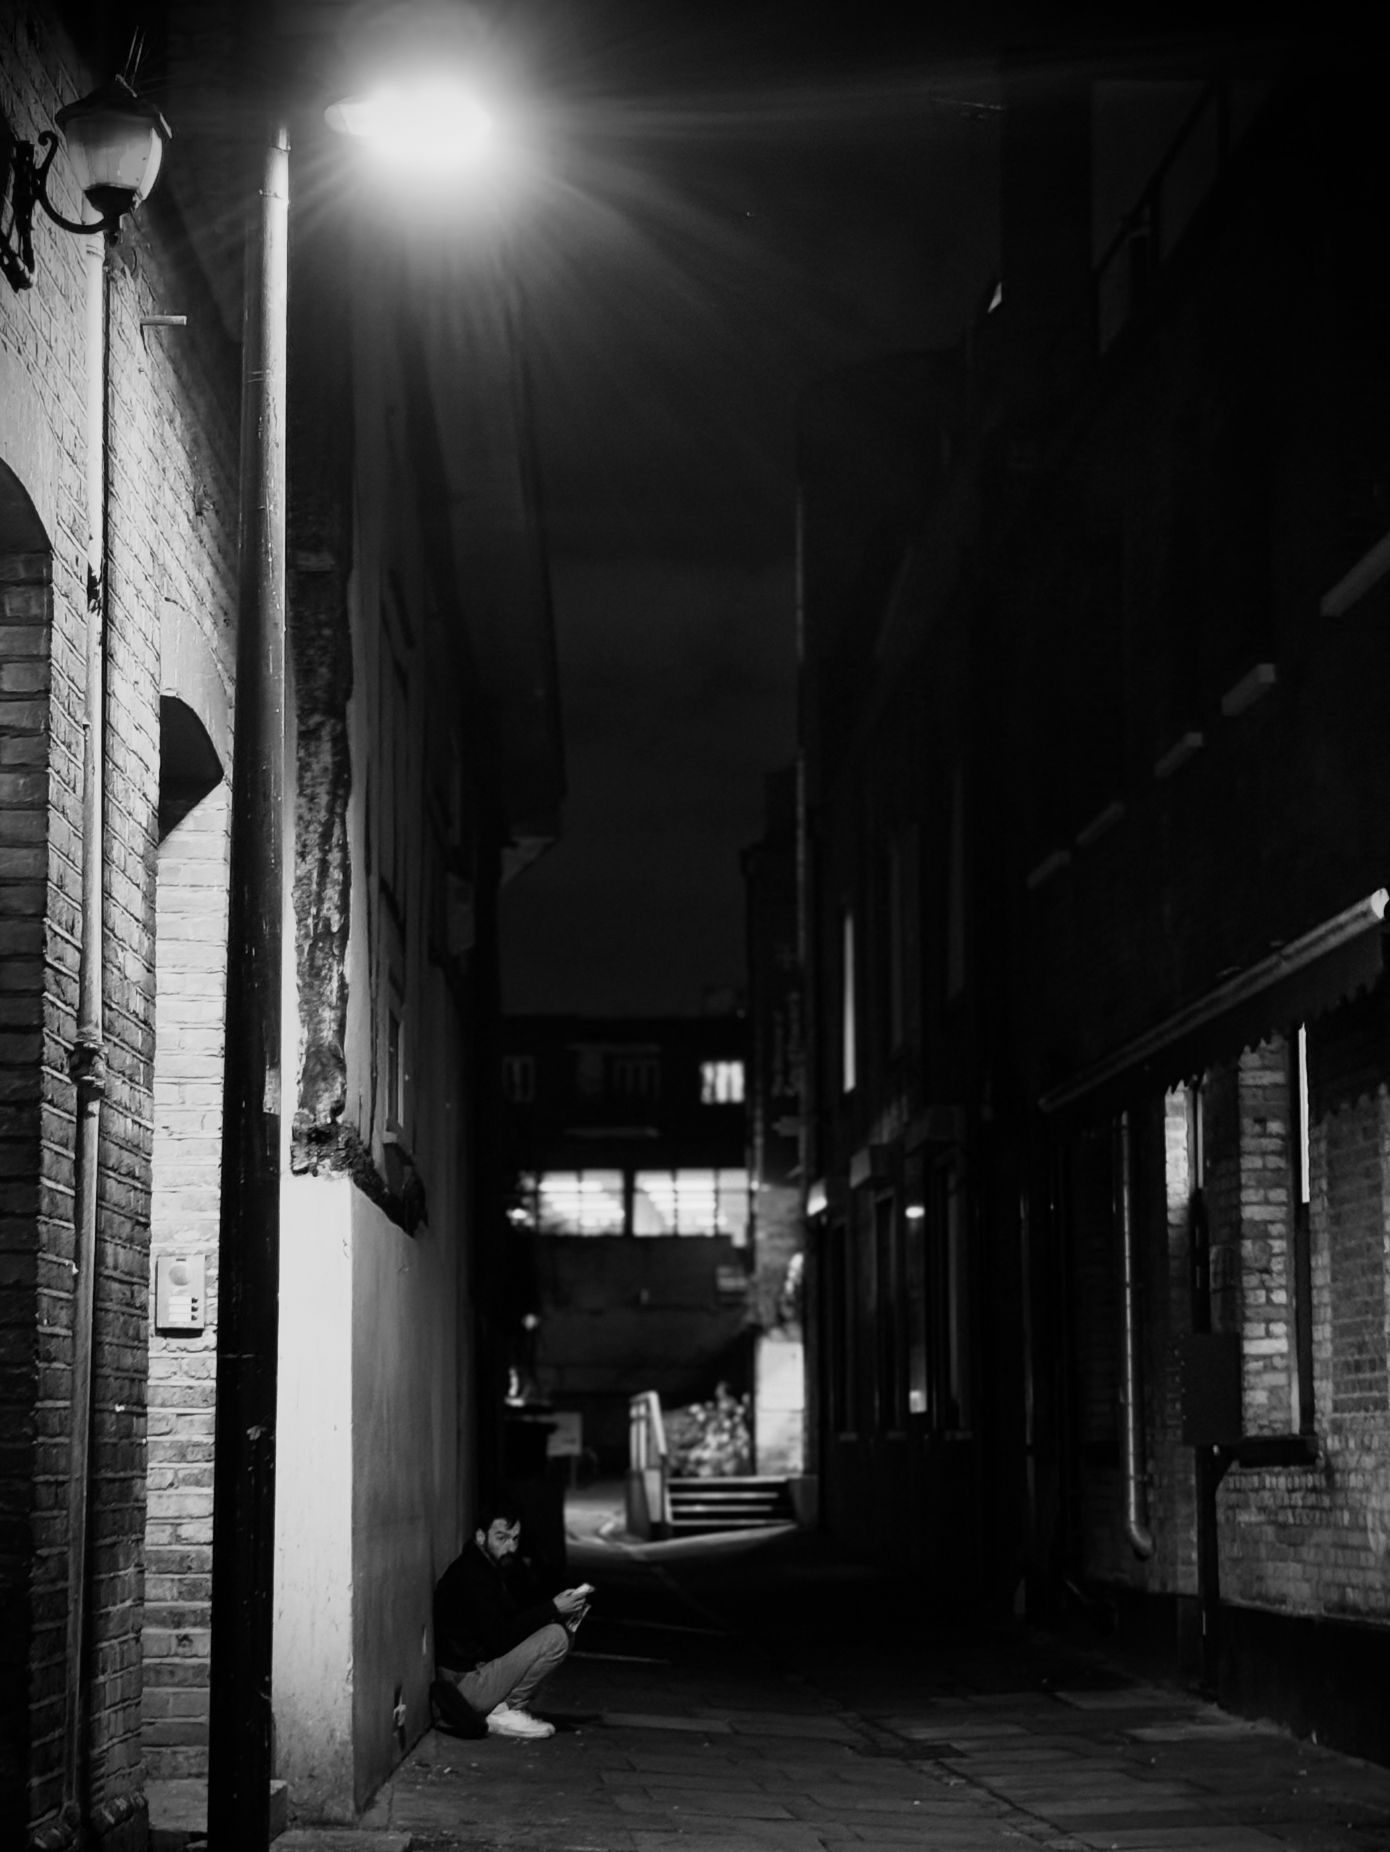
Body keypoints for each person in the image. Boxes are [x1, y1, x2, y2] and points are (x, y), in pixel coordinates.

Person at [431, 1500, 592, 1741]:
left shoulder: (491, 1568)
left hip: (476, 1674)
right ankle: (506, 1710)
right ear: (481, 1537)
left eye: (515, 1539)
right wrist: (551, 1608)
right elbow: (500, 1639)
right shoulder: (473, 1576)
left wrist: (555, 1609)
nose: (510, 1546)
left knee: (563, 1631)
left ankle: (504, 1708)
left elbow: (514, 1619)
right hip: (466, 1685)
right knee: (556, 1637)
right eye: (501, 1537)